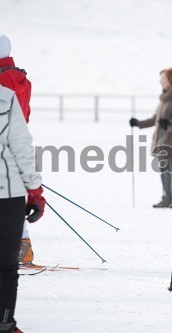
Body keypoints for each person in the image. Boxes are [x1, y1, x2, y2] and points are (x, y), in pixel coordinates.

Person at [0, 85, 45, 333]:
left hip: (8, 191)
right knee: (6, 267)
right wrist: (35, 191)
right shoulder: (5, 97)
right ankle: (5, 324)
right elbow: (22, 148)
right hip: (7, 192)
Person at [0, 34, 36, 265]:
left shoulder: (1, 82)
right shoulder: (22, 79)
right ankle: (23, 249)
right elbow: (26, 115)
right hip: (17, 142)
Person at [129, 68, 172, 208]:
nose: (160, 82)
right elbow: (156, 119)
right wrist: (138, 123)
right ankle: (166, 198)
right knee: (164, 172)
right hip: (161, 141)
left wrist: (168, 124)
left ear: (170, 80)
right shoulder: (164, 98)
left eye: (163, 79)